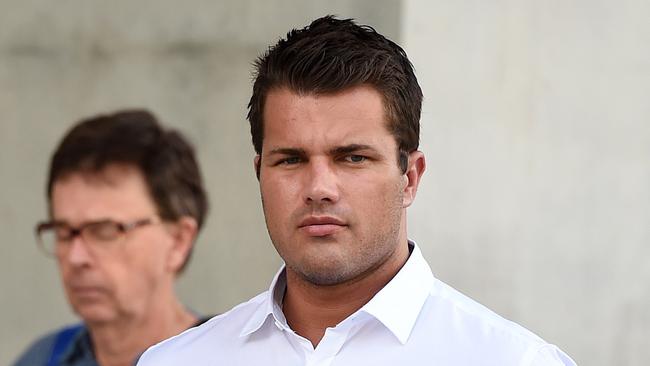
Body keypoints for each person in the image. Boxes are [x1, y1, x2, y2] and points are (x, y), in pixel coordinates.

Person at [138, 16, 576, 365]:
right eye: (291, 159)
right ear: (259, 174)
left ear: (410, 177)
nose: (319, 188)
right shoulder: (178, 360)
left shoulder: (512, 359)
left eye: (353, 158)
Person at [14, 110, 210, 366]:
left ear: (178, 241)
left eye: (105, 231)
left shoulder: (233, 357)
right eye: (64, 232)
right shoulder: (41, 359)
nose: (76, 257)